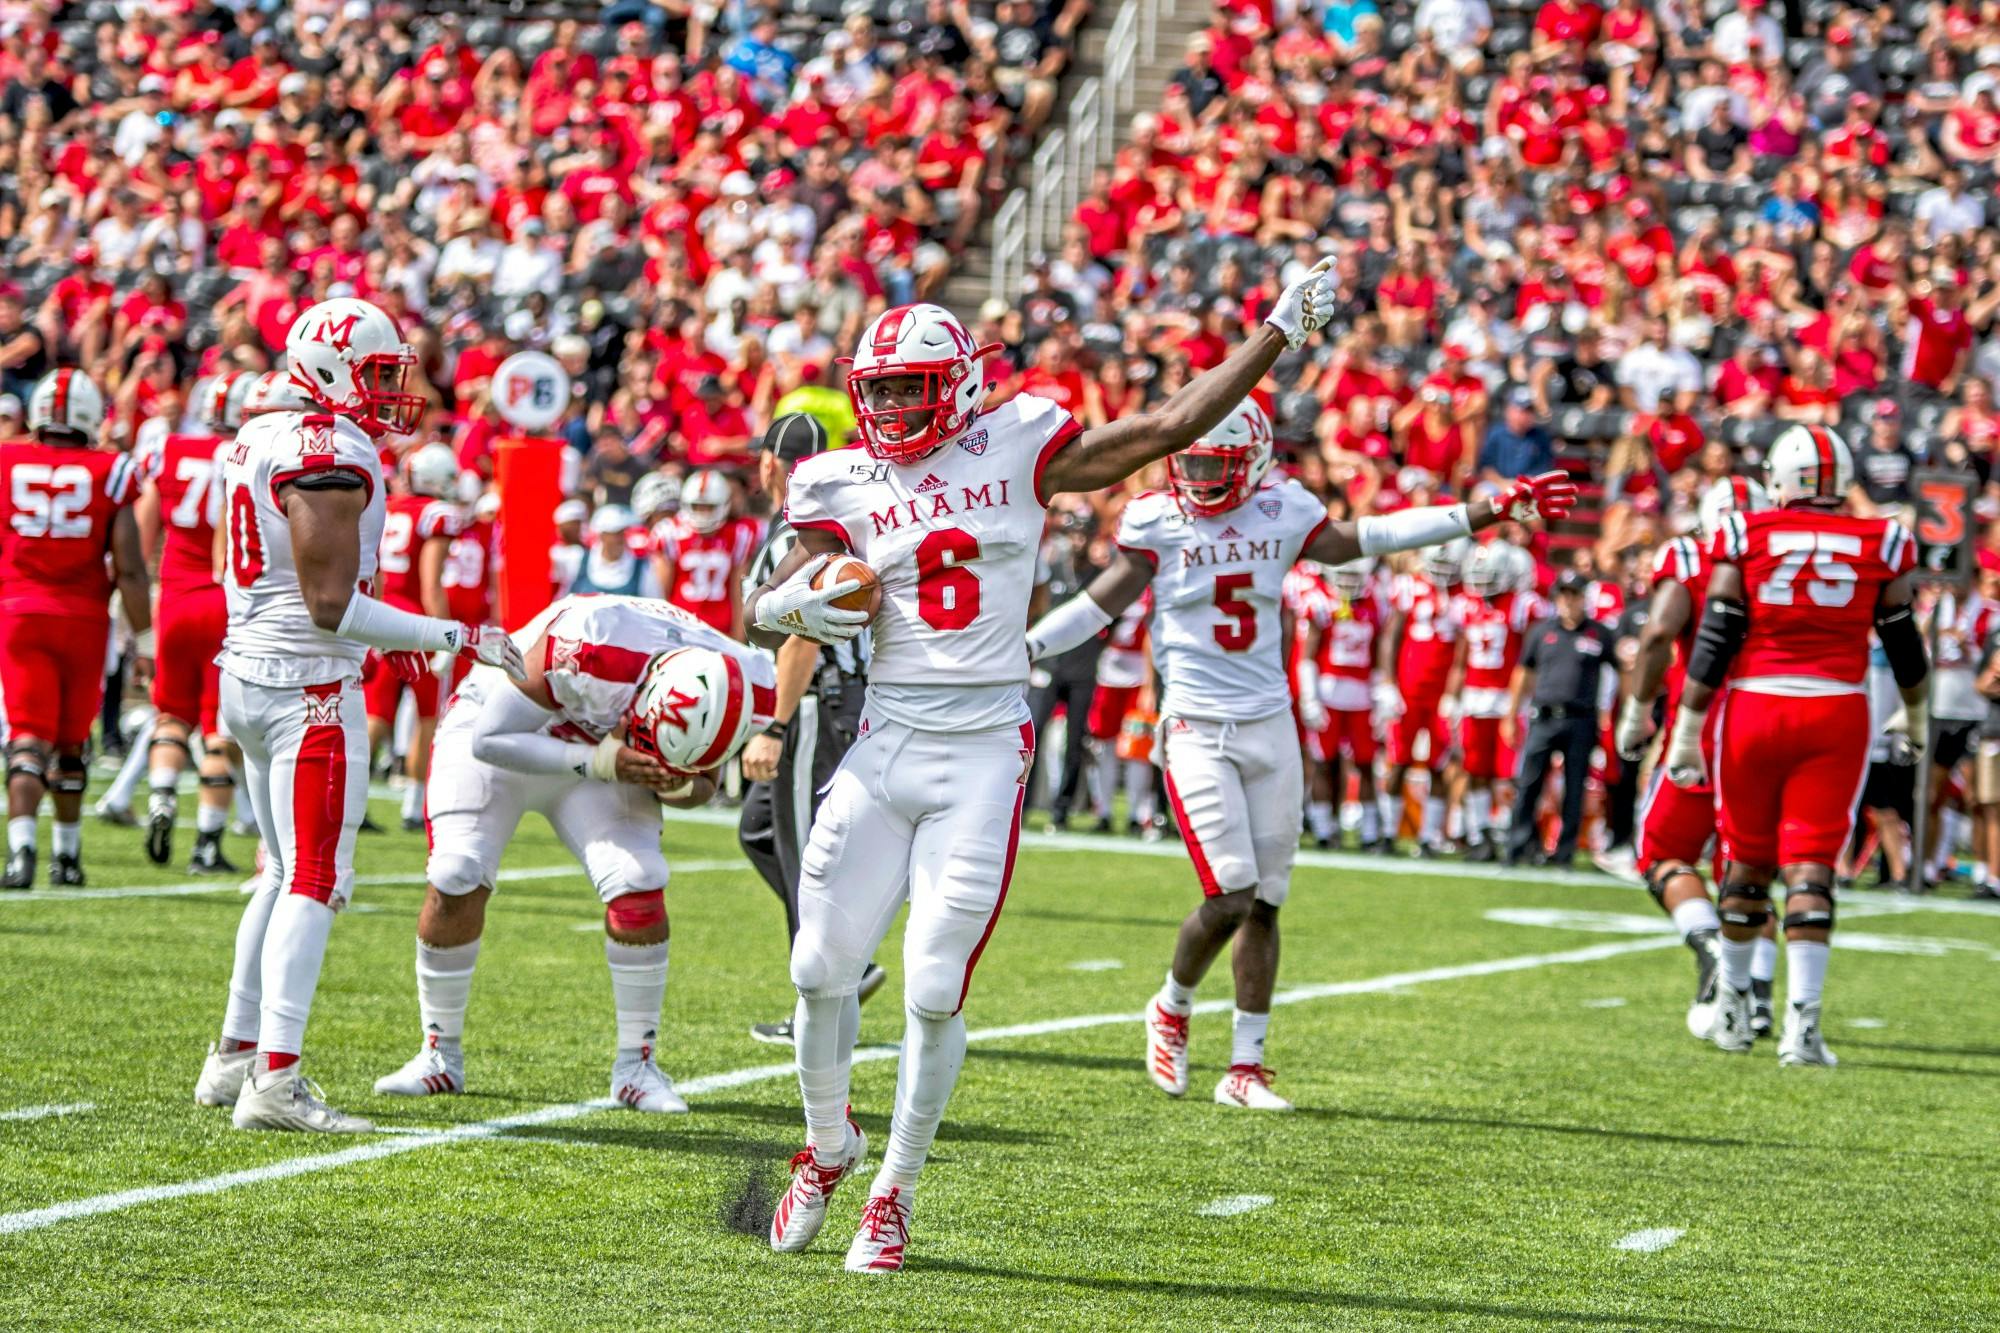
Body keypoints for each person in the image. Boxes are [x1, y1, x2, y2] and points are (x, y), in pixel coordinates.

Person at [745, 270, 1340, 1274]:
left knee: (933, 986)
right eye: (878, 389)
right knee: (814, 969)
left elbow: (1163, 427)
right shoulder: (836, 481)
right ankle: (827, 1144)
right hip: (883, 742)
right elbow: (777, 597)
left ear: (960, 383)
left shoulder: (1019, 444)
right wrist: (791, 605)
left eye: (910, 387)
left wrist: (1275, 330)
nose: (891, 407)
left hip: (977, 751)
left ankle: (891, 1189)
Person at [1027, 399, 1577, 1112]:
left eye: (1212, 464)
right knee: (1229, 892)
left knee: (1267, 901)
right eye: (1187, 462)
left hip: (1270, 723)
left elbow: (1366, 536)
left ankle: (1245, 1066)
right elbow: (1103, 604)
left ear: (1253, 461)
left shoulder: (1280, 509)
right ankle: (1171, 1003)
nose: (1196, 478)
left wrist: (1480, 511)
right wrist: (1029, 646)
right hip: (1195, 721)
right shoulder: (1157, 520)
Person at [193, 297, 523, 1133]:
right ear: (333, 367)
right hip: (306, 686)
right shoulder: (327, 448)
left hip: (250, 673)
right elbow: (333, 604)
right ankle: (276, 1078)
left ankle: (234, 1054)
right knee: (313, 877)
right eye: (378, 373)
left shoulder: (255, 433)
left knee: (277, 869)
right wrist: (455, 632)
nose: (389, 392)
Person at [375, 596, 775, 1111]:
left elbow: (703, 785)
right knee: (457, 871)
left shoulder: (745, 682)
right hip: (508, 732)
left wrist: (672, 779)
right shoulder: (592, 641)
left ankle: (638, 1066)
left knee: (639, 877)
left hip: (606, 753)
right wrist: (605, 759)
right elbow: (491, 739)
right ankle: (438, 1054)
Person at [1663, 425, 1928, 1065]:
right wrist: (1918, 717)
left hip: (1755, 704)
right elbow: (1901, 639)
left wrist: (1688, 727)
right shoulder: (1883, 538)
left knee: (1745, 862)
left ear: (1779, 479)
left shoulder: (1745, 532)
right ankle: (1801, 1030)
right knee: (1811, 866)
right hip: (1837, 709)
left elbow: (1716, 637)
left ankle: (1731, 1008)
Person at [735, 414, 883, 1045]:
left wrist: (774, 722)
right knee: (759, 832)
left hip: (814, 703)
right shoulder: (815, 530)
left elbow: (800, 636)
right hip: (831, 701)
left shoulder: (798, 538)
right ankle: (843, 961)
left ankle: (823, 991)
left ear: (772, 463)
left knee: (803, 855)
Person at [1617, 477, 1778, 1040]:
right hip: (1772, 723)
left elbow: (1660, 631)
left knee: (1660, 853)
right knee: (1747, 867)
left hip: (1703, 725)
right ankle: (1759, 1000)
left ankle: (1712, 948)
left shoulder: (1689, 554)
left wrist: (1636, 712)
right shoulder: (1789, 562)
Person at [0, 369, 149, 888]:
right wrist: (145, 640)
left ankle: (21, 852)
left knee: (26, 738)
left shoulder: (6, 458)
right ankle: (67, 857)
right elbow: (129, 567)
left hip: (19, 612)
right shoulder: (112, 469)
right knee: (70, 742)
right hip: (84, 618)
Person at [131, 371, 255, 875]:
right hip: (229, 602)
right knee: (218, 729)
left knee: (169, 715)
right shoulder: (257, 453)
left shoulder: (168, 447)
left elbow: (140, 538)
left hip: (176, 597)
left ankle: (161, 796)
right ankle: (207, 841)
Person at [366, 444, 465, 831]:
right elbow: (430, 585)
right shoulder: (435, 514)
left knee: (377, 712)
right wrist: (445, 634)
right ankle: (412, 806)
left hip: (377, 614)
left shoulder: (390, 506)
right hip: (415, 621)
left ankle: (350, 796)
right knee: (428, 714)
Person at [1503, 569, 1613, 866]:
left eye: (1573, 594)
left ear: (1583, 598)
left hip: (1581, 719)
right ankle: (1518, 846)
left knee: (1574, 787)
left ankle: (1563, 852)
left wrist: (1611, 716)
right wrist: (1512, 714)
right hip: (1544, 716)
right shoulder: (1541, 631)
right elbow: (1524, 672)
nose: (1567, 600)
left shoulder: (1599, 633)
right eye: (1563, 594)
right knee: (1529, 783)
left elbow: (1620, 673)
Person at [1375, 539, 1469, 855]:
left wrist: (1453, 694)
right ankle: (1388, 833)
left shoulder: (1462, 596)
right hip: (1408, 691)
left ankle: (1429, 836)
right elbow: (1391, 636)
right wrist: (1388, 682)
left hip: (1439, 693)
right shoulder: (1408, 587)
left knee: (1440, 765)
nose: (1442, 573)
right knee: (1399, 760)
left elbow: (1461, 652)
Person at [1451, 540, 1542, 861]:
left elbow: (1532, 658)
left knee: (1509, 773)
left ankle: (1509, 833)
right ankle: (1480, 834)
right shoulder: (1467, 605)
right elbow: (1461, 658)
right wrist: (1453, 697)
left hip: (1507, 699)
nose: (1482, 579)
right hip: (1475, 699)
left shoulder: (1522, 605)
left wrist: (1525, 698)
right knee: (1475, 769)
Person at [1298, 557, 1389, 849]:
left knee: (1365, 762)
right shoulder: (1320, 602)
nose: (1349, 581)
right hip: (1329, 692)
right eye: (1344, 573)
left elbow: (1378, 651)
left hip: (1361, 695)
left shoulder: (1375, 602)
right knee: (1323, 762)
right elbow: (1308, 655)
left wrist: (1381, 690)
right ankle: (1324, 829)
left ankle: (1371, 832)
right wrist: (1310, 697)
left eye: (1355, 574)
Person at [655, 468, 759, 637]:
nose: (702, 513)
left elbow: (739, 593)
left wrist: (738, 638)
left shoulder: (739, 534)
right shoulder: (669, 533)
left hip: (721, 629)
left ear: (724, 504)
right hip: (681, 628)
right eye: (697, 506)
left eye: (709, 507)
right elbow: (661, 594)